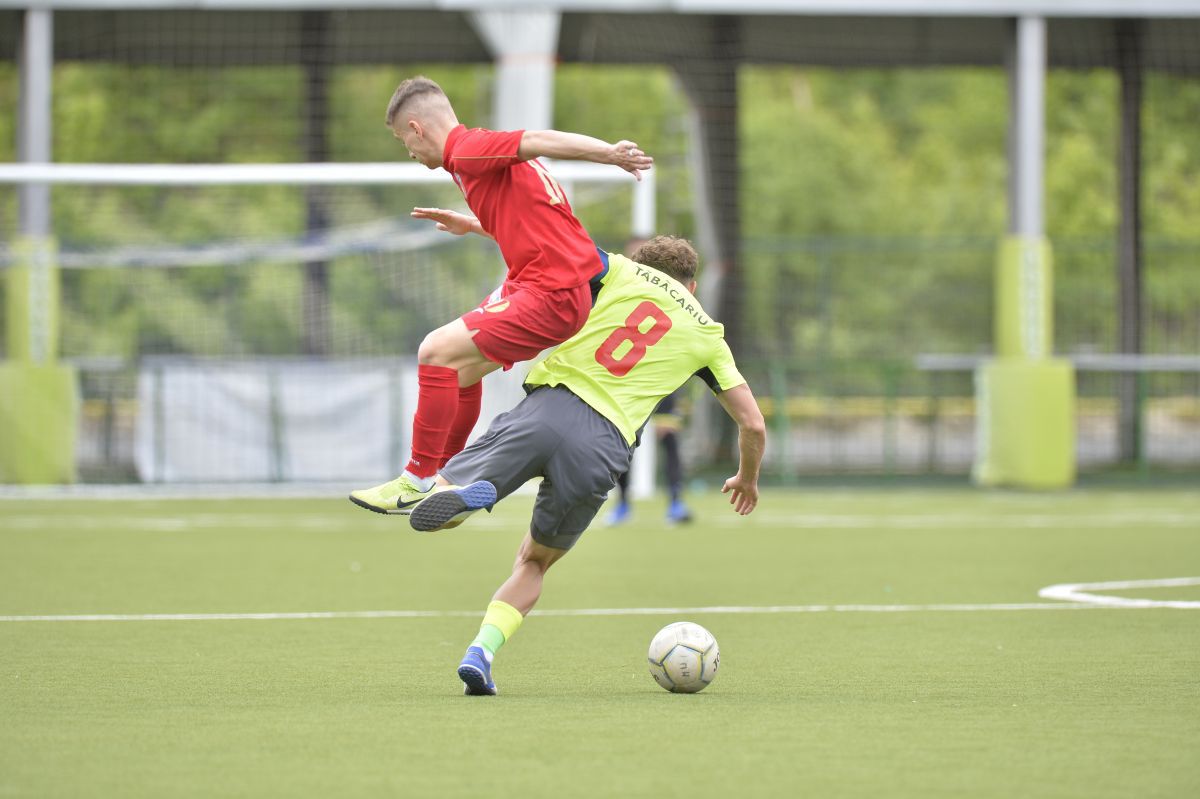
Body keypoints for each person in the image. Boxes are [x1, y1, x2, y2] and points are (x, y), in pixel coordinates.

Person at [402, 236, 766, 696]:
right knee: (533, 562)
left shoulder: (617, 271)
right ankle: (481, 651)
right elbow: (752, 425)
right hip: (602, 448)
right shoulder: (709, 336)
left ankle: (481, 490)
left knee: (439, 512)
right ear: (692, 286)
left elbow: (538, 237)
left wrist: (477, 223)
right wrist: (746, 478)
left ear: (641, 264)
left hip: (547, 409)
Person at [349, 75, 653, 515]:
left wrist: (607, 153)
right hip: (551, 287)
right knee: (459, 374)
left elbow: (536, 138)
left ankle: (415, 480)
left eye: (404, 141)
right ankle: (446, 477)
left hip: (551, 291)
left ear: (417, 128)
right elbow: (536, 223)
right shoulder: (470, 163)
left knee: (434, 350)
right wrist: (470, 224)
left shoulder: (468, 148)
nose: (410, 153)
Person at [606, 387, 693, 525]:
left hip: (661, 387)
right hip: (633, 389)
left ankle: (676, 504)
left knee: (671, 444)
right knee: (624, 447)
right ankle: (622, 505)